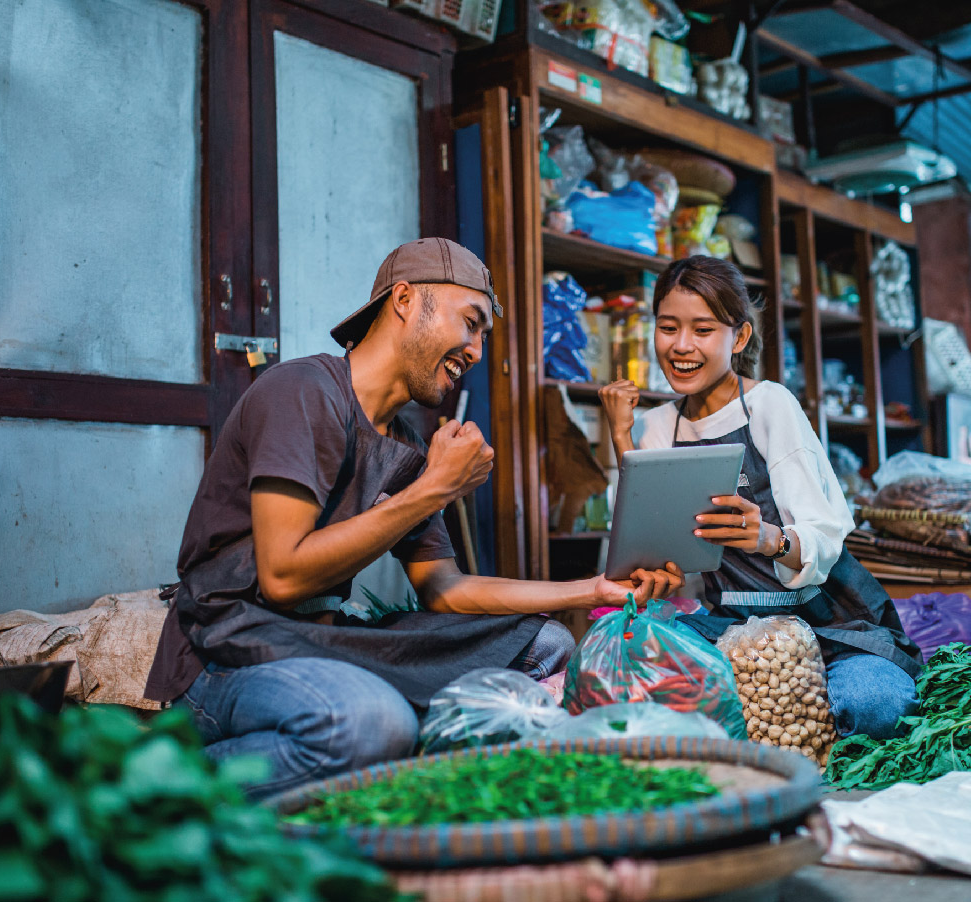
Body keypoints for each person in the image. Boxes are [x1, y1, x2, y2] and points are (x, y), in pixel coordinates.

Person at [145, 238, 681, 799]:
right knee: (372, 724)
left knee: (546, 646)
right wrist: (435, 488)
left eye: (482, 336)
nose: (475, 350)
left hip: (318, 640)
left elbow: (445, 589)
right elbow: (282, 577)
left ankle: (421, 748)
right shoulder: (303, 393)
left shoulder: (405, 443)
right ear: (404, 300)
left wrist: (589, 589)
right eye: (470, 323)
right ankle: (159, 789)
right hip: (227, 648)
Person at [599, 255, 920, 740]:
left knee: (874, 704)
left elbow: (826, 532)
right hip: (730, 625)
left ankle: (810, 707)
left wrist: (769, 538)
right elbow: (643, 541)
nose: (681, 346)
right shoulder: (656, 426)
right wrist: (621, 436)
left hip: (824, 620)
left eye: (703, 329)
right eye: (668, 327)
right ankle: (790, 719)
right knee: (625, 673)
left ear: (740, 337)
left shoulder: (769, 404)